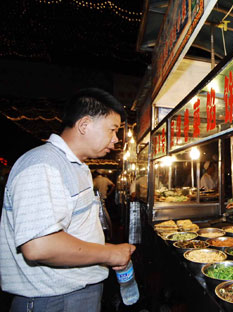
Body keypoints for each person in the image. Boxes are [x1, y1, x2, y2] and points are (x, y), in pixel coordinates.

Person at [0, 88, 135, 312]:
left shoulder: (77, 166)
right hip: (53, 300)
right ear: (84, 125)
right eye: (112, 130)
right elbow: (39, 246)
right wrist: (109, 253)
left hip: (73, 294)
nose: (116, 139)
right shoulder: (43, 165)